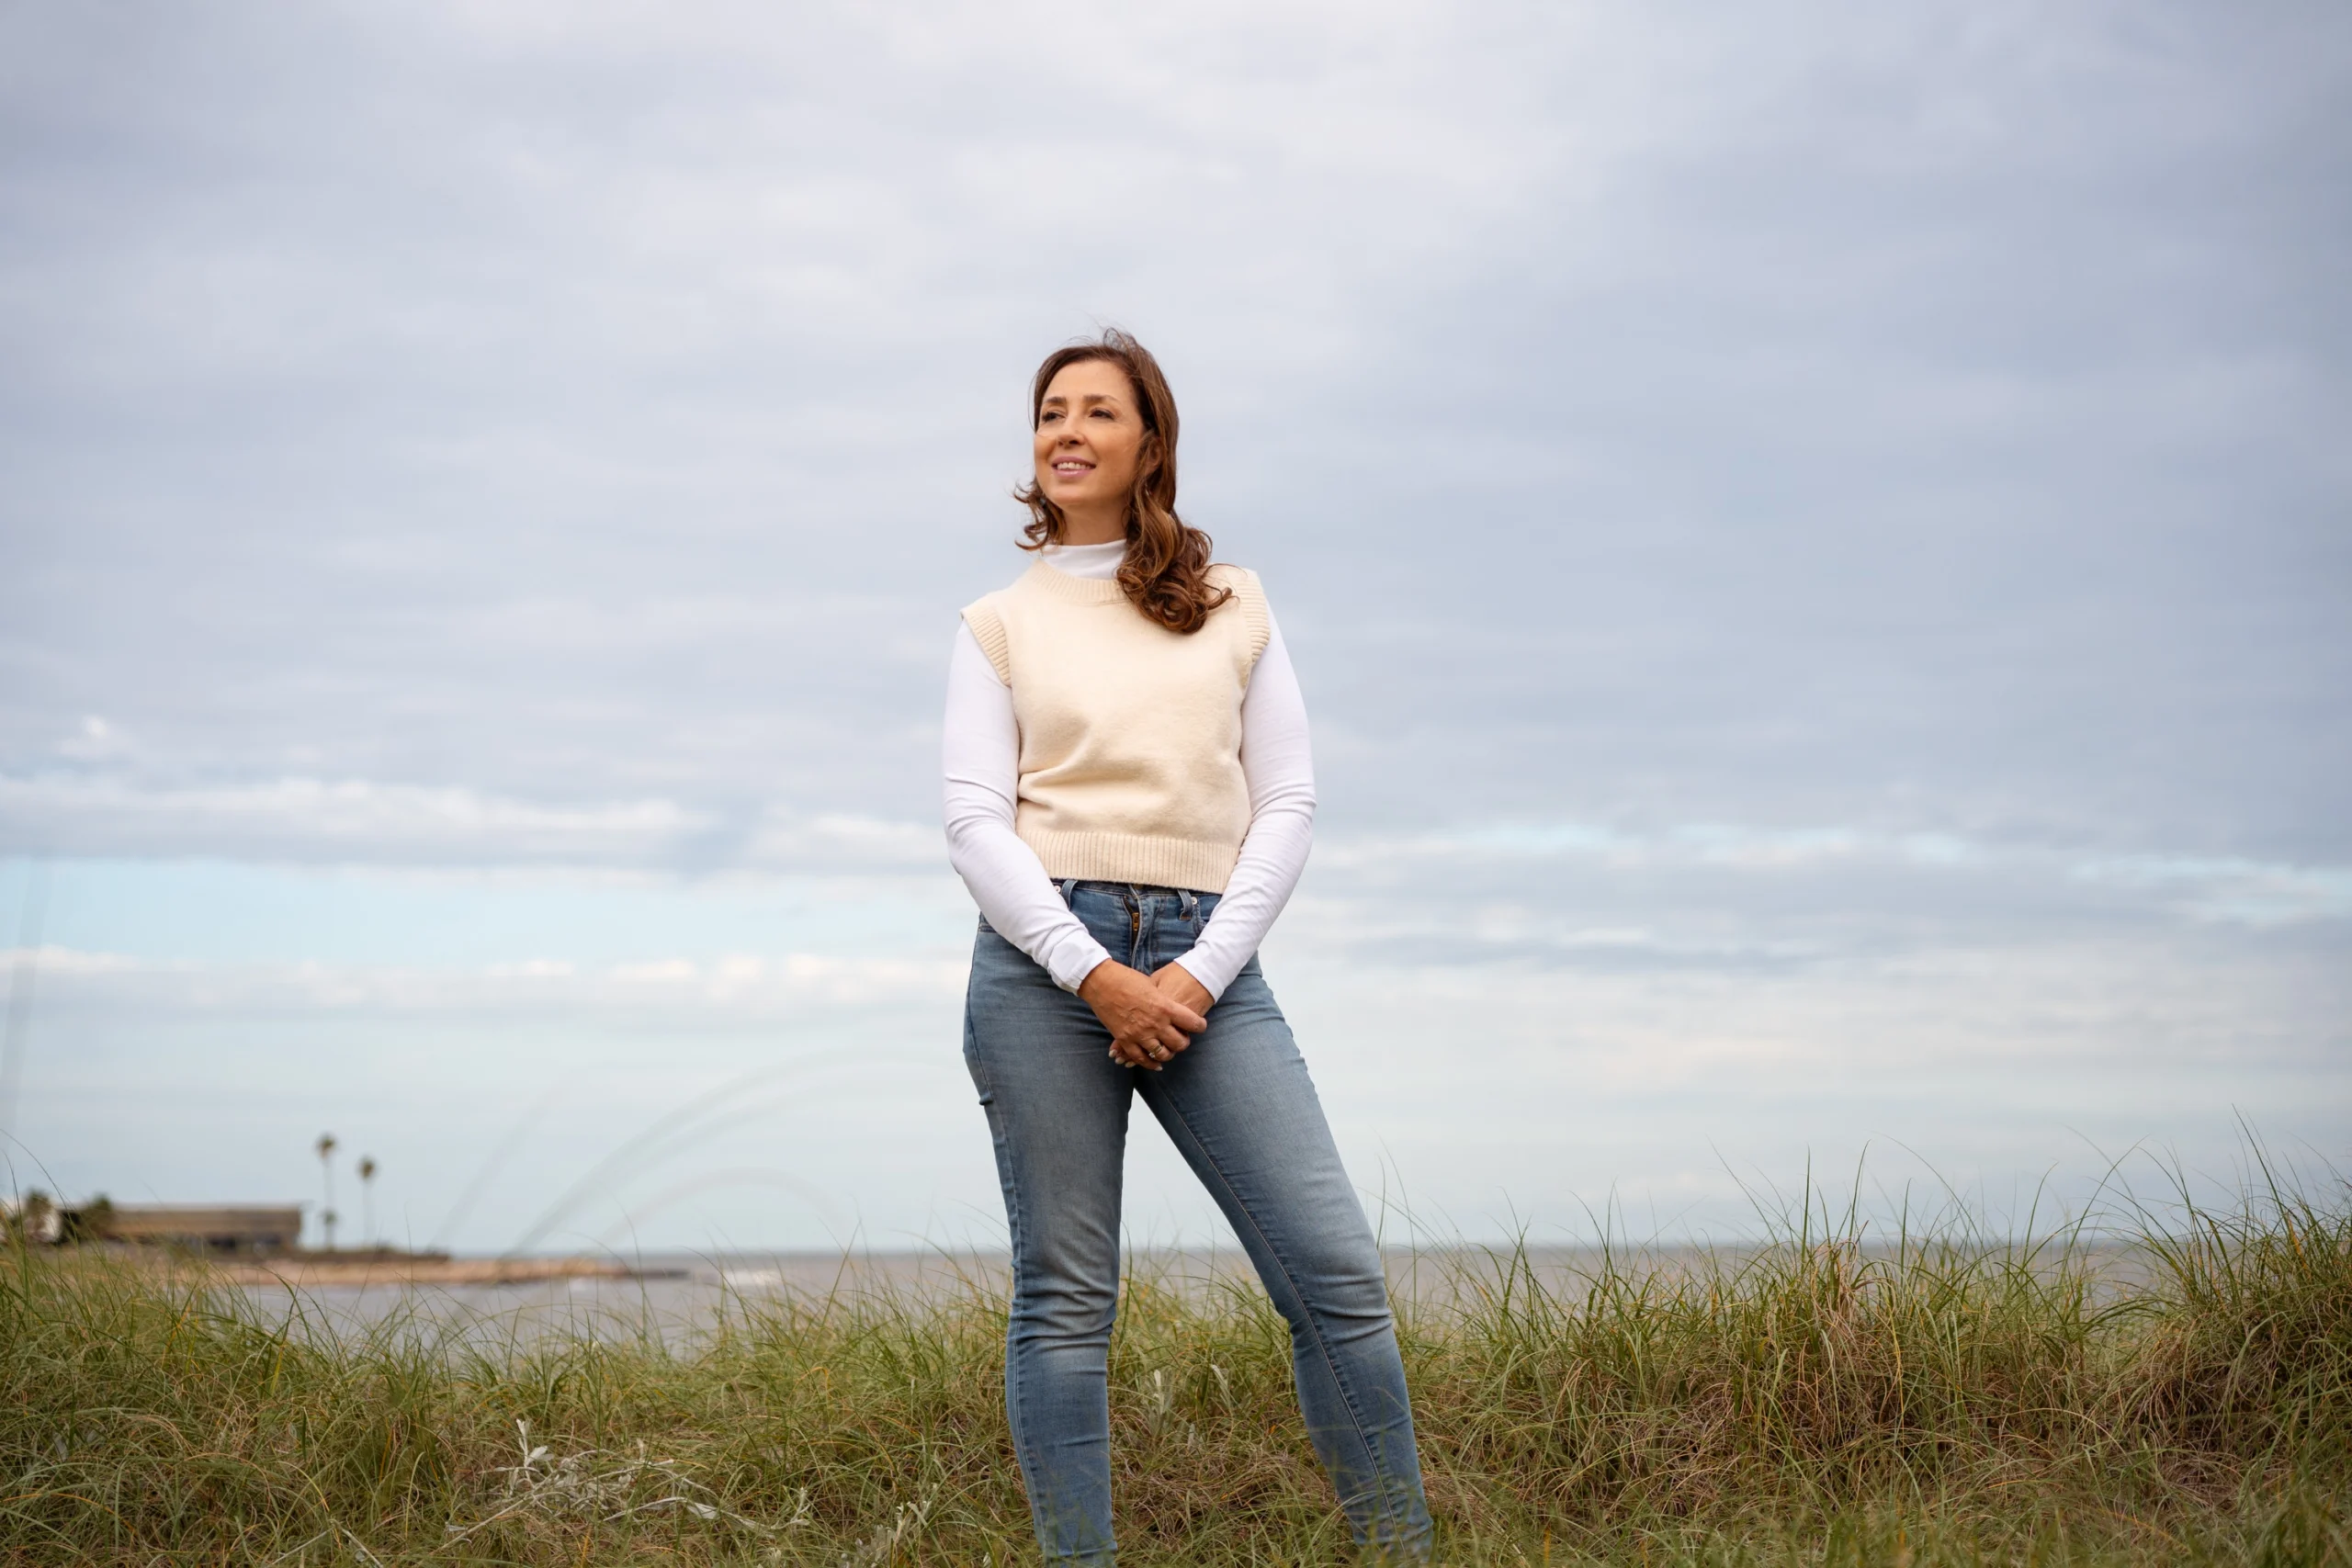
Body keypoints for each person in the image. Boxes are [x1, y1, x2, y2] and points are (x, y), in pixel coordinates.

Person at [944, 330, 1433, 1563]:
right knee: (1066, 1305)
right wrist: (1096, 974)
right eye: (1050, 412)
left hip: (1210, 961)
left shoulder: (1232, 602)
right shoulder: (997, 623)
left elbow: (1289, 801)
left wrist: (1196, 974)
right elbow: (973, 823)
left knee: (1336, 1278)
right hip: (1045, 970)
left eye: (1096, 411)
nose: (1065, 431)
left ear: (1150, 443)